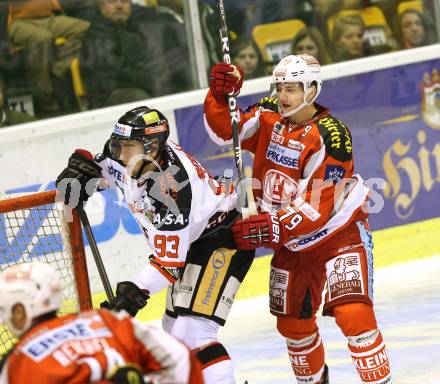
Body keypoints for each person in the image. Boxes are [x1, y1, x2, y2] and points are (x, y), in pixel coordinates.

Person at [204, 55, 392, 383]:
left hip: (339, 233)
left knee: (353, 314)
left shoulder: (332, 134)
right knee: (292, 324)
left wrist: (272, 225)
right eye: (279, 87)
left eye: (291, 88)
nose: (283, 95)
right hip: (292, 240)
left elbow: (321, 205)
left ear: (312, 89)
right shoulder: (268, 113)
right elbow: (225, 131)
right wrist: (220, 96)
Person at [55, 106, 255, 383]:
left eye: (129, 146)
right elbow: (101, 170)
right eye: (118, 143)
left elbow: (168, 262)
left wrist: (132, 296)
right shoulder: (127, 154)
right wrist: (81, 175)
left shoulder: (170, 187)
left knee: (193, 333)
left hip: (221, 237)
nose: (120, 153)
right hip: (195, 240)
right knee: (173, 329)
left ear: (151, 147)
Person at [0, 262, 204, 384]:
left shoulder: (17, 363)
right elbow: (180, 358)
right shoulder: (106, 320)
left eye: (5, 311)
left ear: (20, 311)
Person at [79, 0, 171, 108]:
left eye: (125, 1)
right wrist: (151, 82)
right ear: (101, 6)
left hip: (147, 87)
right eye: (112, 1)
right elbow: (113, 78)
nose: (119, 6)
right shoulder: (97, 36)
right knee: (138, 97)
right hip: (112, 103)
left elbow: (158, 62)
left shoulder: (139, 30)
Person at [7, 0, 90, 114]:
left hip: (49, 18)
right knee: (42, 38)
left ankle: (57, 71)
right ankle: (44, 92)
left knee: (85, 28)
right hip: (17, 22)